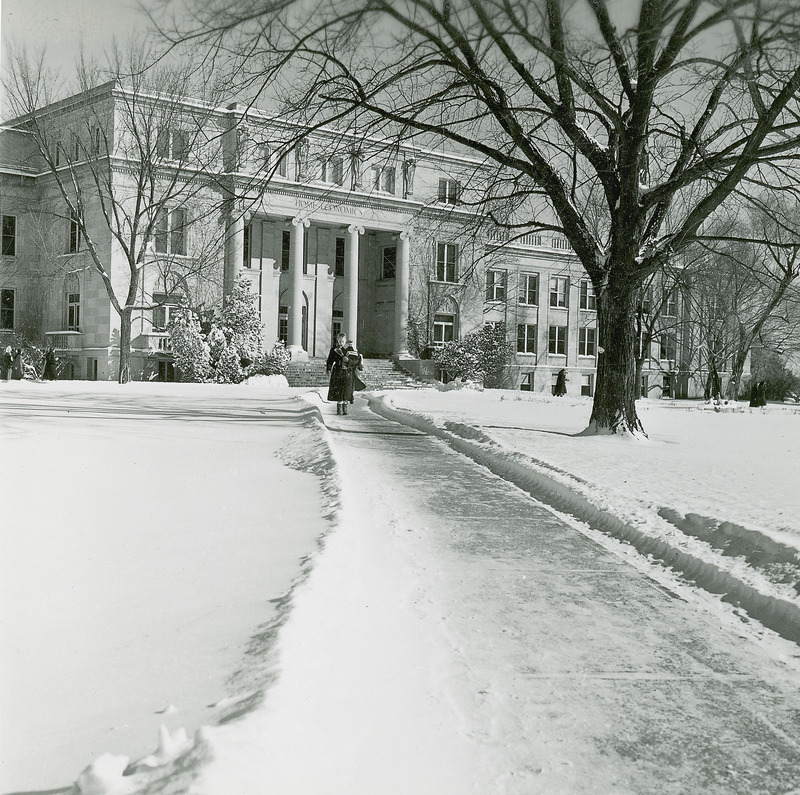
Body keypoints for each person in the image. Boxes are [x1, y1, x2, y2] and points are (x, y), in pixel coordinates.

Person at [326, 332, 362, 415]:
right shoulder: (334, 350)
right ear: (337, 340)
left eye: (342, 341)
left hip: (347, 372)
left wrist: (348, 360)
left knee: (346, 389)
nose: (340, 343)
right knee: (338, 389)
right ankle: (339, 408)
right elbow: (330, 360)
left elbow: (356, 360)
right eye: (339, 341)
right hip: (338, 372)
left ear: (345, 341)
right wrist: (328, 368)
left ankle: (345, 407)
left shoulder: (350, 349)